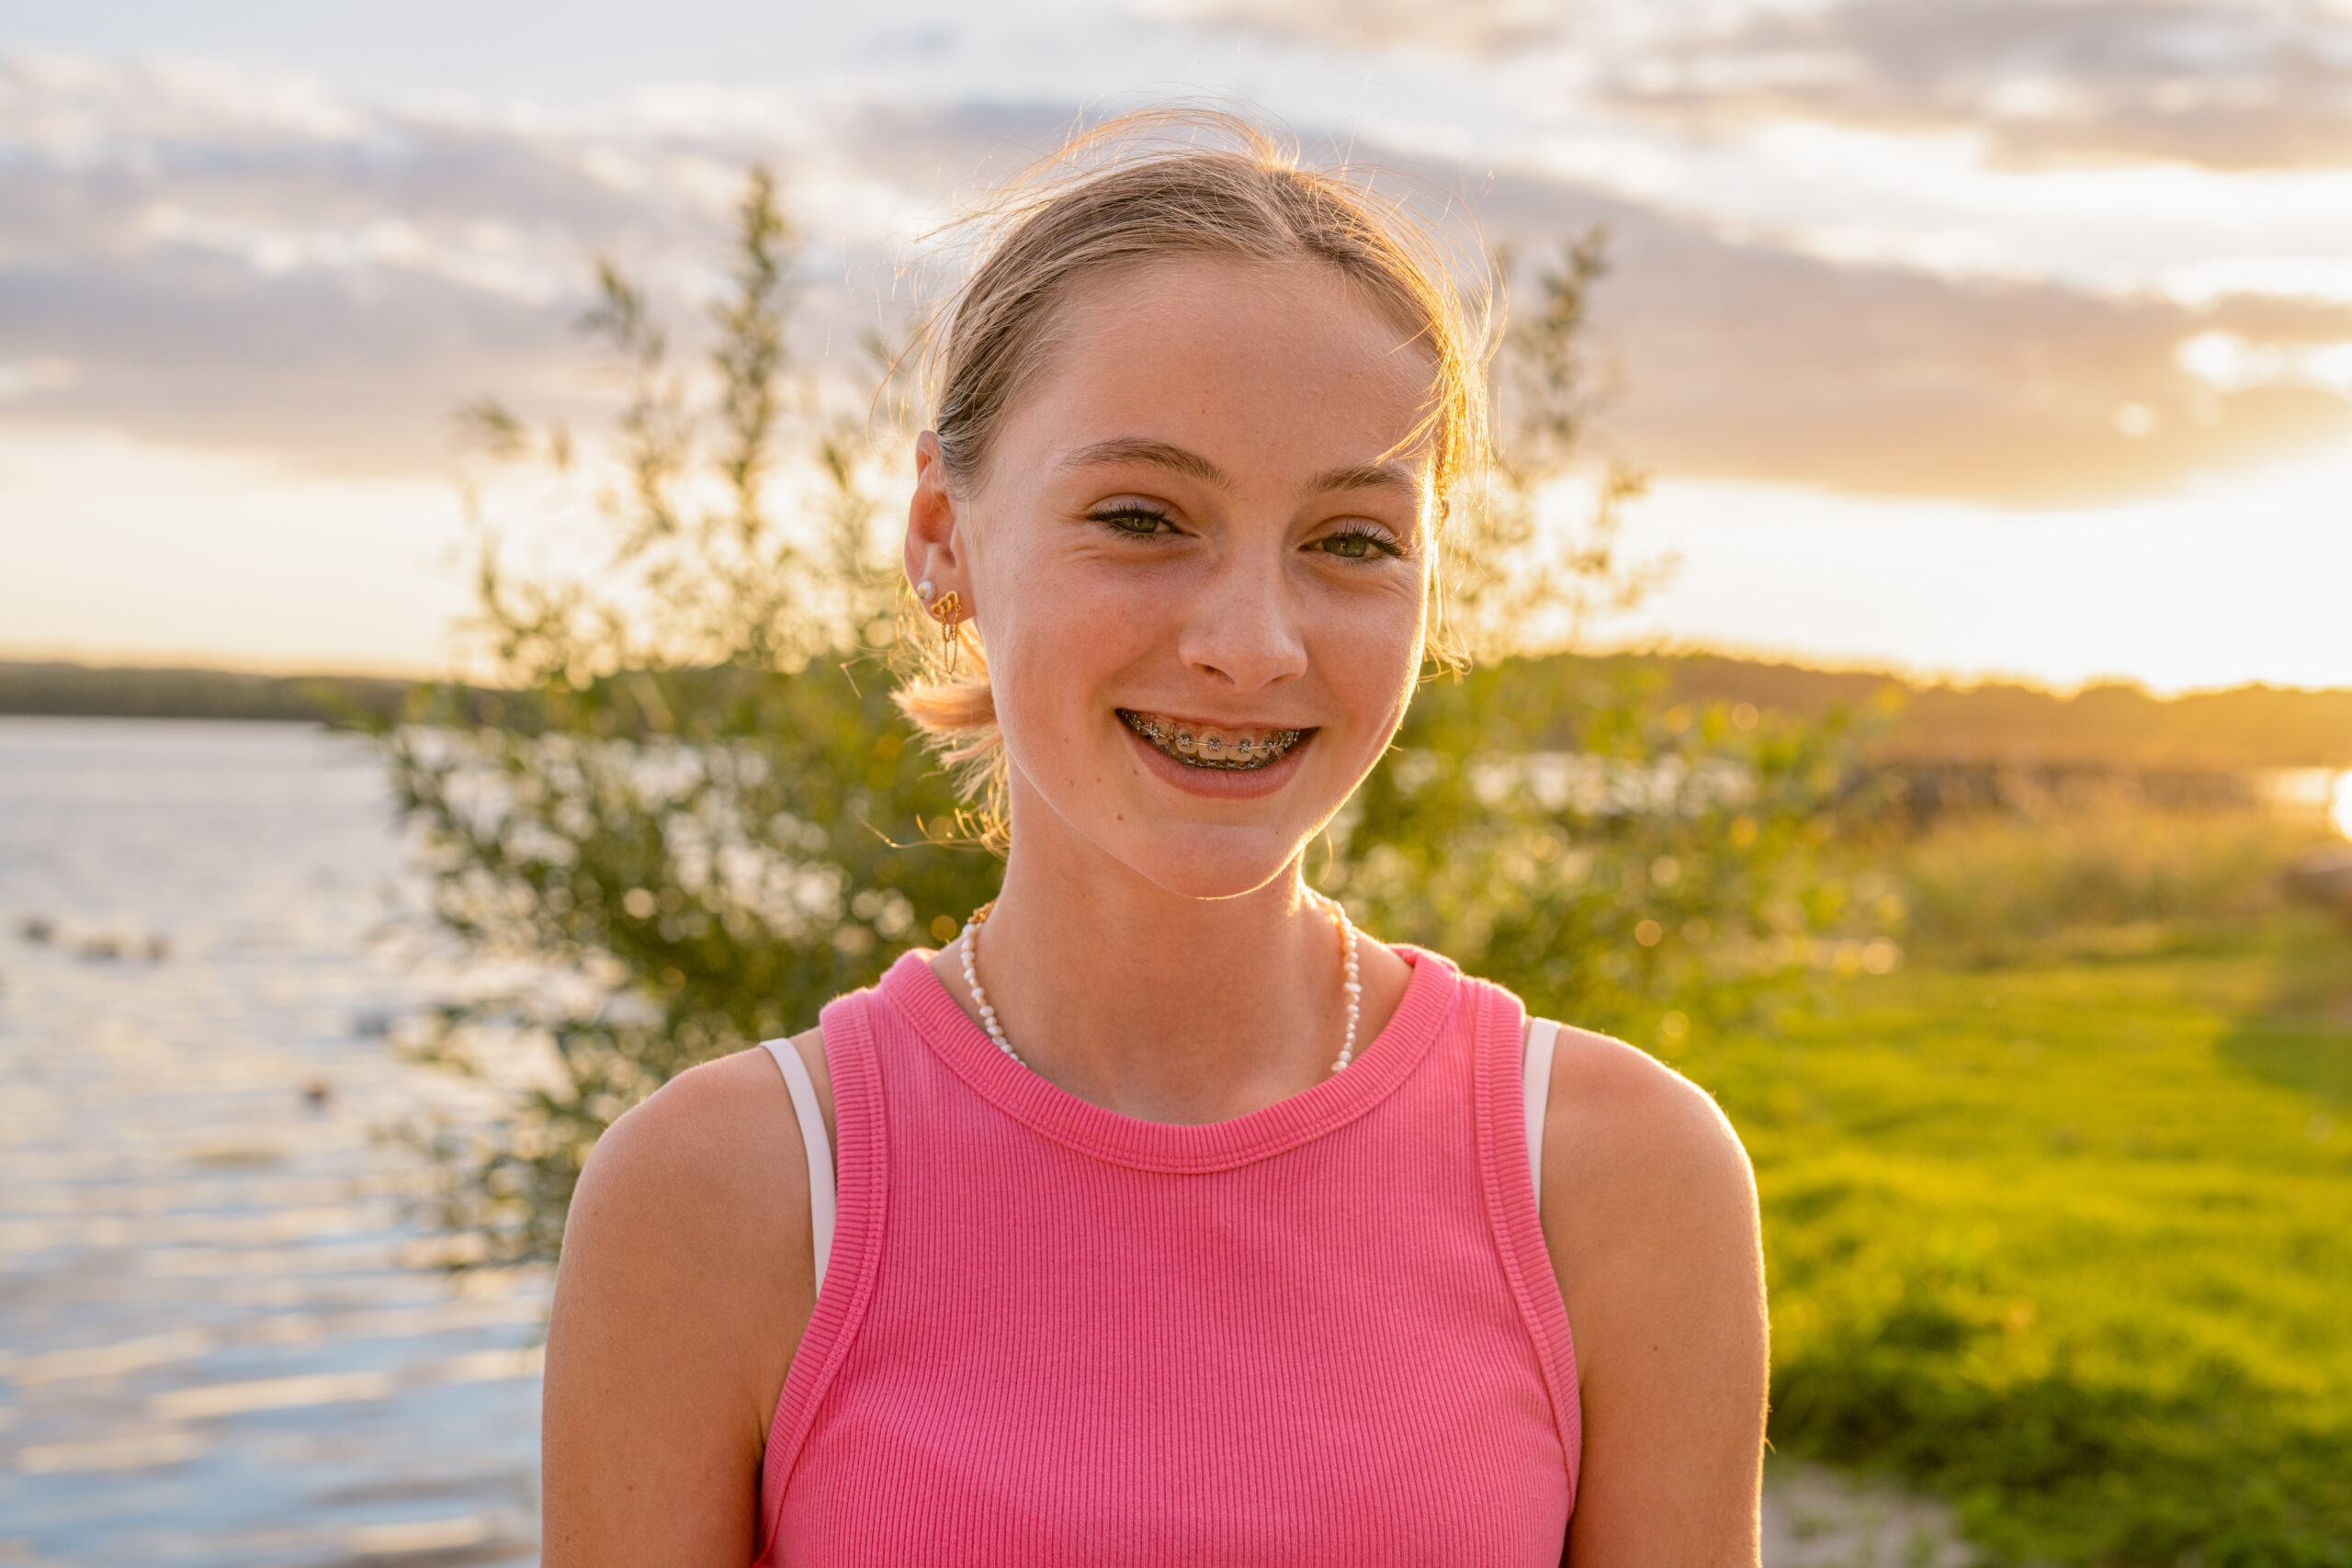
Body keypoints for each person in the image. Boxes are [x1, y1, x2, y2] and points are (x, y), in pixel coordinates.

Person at [540, 112, 1766, 1567]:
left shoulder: (1621, 1181)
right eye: (1141, 517)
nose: (1254, 645)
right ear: (941, 535)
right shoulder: (718, 1196)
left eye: (1352, 540)